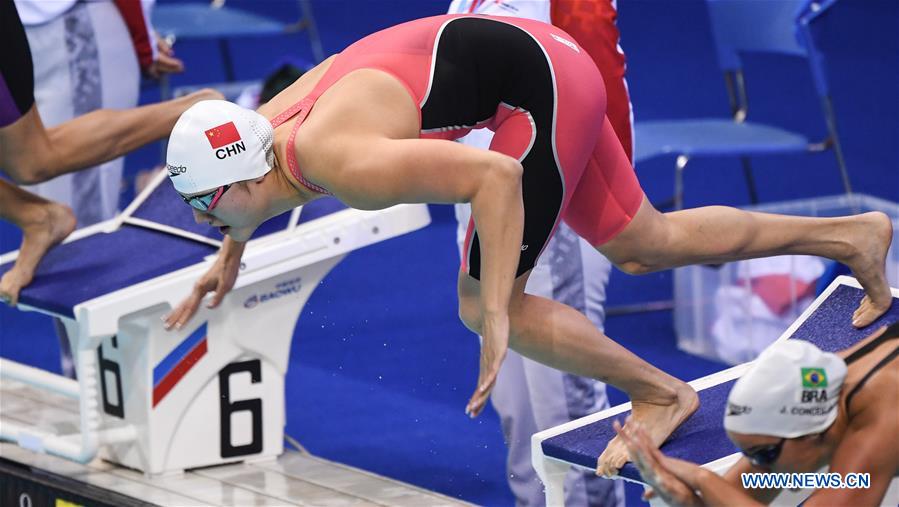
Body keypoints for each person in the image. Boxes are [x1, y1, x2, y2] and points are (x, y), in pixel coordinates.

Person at [161, 14, 894, 475]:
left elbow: (495, 175)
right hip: (542, 58)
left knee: (477, 305)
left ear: (240, 182)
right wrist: (233, 246)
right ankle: (853, 236)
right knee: (644, 241)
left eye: (203, 207)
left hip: (536, 90)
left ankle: (658, 391)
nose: (199, 218)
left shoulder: (341, 163)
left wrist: (499, 310)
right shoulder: (270, 129)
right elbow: (277, 131)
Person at [447, 0, 628, 504]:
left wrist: (600, 200)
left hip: (551, 190)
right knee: (514, 394)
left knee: (561, 395)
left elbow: (600, 79)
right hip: (481, 181)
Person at [0, 0, 221, 306]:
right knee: (31, 162)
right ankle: (36, 217)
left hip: (72, 25)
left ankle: (195, 111)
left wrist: (141, 35)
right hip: (36, 27)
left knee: (75, 228)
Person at [616, 322, 899, 506]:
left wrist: (703, 480)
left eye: (762, 455)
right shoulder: (819, 394)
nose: (755, 467)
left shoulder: (884, 401)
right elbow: (738, 495)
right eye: (747, 452)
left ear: (812, 434)